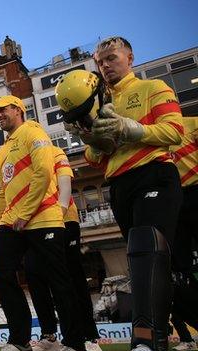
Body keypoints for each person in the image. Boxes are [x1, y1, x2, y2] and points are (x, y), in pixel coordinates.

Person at [56, 37, 184, 351]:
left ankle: (146, 340)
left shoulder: (153, 88)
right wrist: (93, 140)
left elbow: (175, 132)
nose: (106, 66)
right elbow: (96, 157)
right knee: (150, 264)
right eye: (100, 63)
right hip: (120, 186)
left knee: (146, 252)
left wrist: (133, 128)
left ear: (130, 57)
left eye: (112, 58)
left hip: (154, 174)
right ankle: (159, 336)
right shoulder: (98, 101)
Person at [0, 95, 85, 351]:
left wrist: (26, 212)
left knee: (58, 279)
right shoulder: (2, 151)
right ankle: (20, 340)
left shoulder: (34, 132)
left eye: (3, 110)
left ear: (18, 109)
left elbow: (43, 172)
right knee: (2, 271)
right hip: (13, 221)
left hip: (43, 217)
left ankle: (75, 342)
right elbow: (1, 191)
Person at [24, 146, 101, 351]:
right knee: (35, 275)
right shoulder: (19, 158)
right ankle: (49, 336)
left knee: (72, 277)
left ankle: (87, 337)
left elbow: (65, 187)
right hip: (34, 225)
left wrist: (58, 216)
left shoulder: (53, 151)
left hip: (64, 220)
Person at [169, 116, 198, 347]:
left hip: (196, 193)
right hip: (173, 202)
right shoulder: (151, 133)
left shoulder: (193, 124)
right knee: (178, 272)